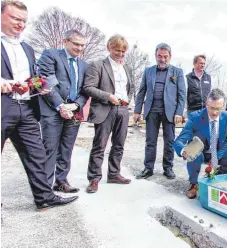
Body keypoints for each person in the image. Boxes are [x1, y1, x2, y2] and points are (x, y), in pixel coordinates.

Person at [1, 0, 78, 210]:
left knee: (37, 155)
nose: (20, 24)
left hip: (26, 109)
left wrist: (38, 86)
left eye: (24, 20)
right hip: (2, 107)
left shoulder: (27, 47)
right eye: (15, 18)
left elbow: (33, 77)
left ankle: (44, 197)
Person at [37, 29, 88, 192]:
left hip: (73, 112)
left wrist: (76, 105)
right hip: (52, 110)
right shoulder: (50, 55)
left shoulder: (84, 65)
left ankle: (61, 181)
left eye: (82, 45)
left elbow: (85, 90)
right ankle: (44, 188)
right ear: (65, 42)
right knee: (50, 148)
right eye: (76, 44)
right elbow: (46, 82)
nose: (79, 48)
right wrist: (61, 106)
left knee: (67, 148)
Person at [83, 34, 134, 193]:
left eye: (123, 51)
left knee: (119, 145)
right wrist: (108, 97)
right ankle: (94, 179)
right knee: (99, 146)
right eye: (116, 50)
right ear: (109, 47)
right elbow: (88, 87)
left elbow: (130, 88)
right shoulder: (97, 65)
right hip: (105, 109)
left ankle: (114, 174)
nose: (120, 53)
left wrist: (127, 101)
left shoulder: (127, 68)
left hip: (123, 110)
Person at [173, 89, 227, 199]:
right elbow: (179, 140)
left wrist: (218, 156)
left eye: (218, 109)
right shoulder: (195, 117)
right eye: (211, 108)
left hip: (217, 151)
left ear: (223, 106)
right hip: (200, 152)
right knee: (194, 153)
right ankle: (193, 183)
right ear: (207, 103)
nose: (215, 112)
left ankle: (216, 177)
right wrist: (183, 151)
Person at [133, 43, 186, 180]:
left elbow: (182, 94)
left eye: (165, 56)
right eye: (159, 56)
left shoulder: (177, 72)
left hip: (170, 112)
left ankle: (168, 168)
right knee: (150, 141)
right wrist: (137, 111)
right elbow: (141, 92)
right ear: (155, 56)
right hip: (151, 111)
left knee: (169, 141)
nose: (162, 59)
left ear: (170, 56)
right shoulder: (148, 71)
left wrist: (179, 112)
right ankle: (148, 168)